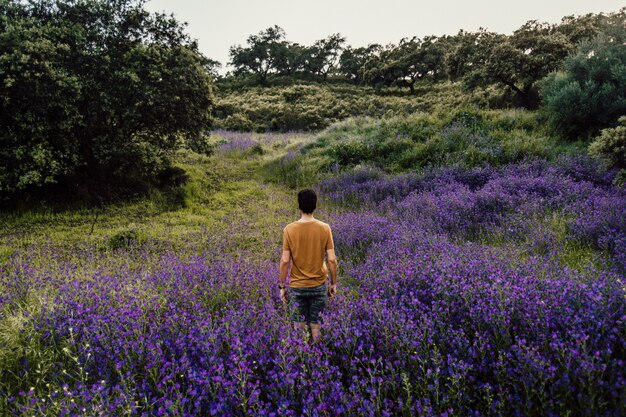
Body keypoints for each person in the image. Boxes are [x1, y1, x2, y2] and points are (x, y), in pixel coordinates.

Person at [279, 189, 338, 342]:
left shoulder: (289, 229)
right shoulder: (325, 228)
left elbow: (285, 261)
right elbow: (331, 260)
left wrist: (282, 287)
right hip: (318, 285)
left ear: (299, 206)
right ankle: (316, 360)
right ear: (315, 205)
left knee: (298, 327)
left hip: (297, 286)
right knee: (316, 327)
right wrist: (333, 283)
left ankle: (301, 360)